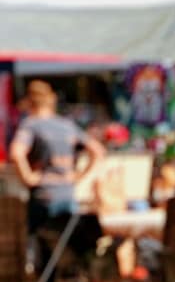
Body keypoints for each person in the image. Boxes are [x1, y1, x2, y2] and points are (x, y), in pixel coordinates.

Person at [9, 79, 105, 261]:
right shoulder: (66, 125)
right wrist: (80, 177)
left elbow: (16, 153)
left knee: (44, 252)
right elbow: (98, 150)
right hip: (67, 194)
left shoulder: (31, 124)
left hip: (44, 195)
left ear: (30, 102)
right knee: (67, 249)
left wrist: (28, 177)